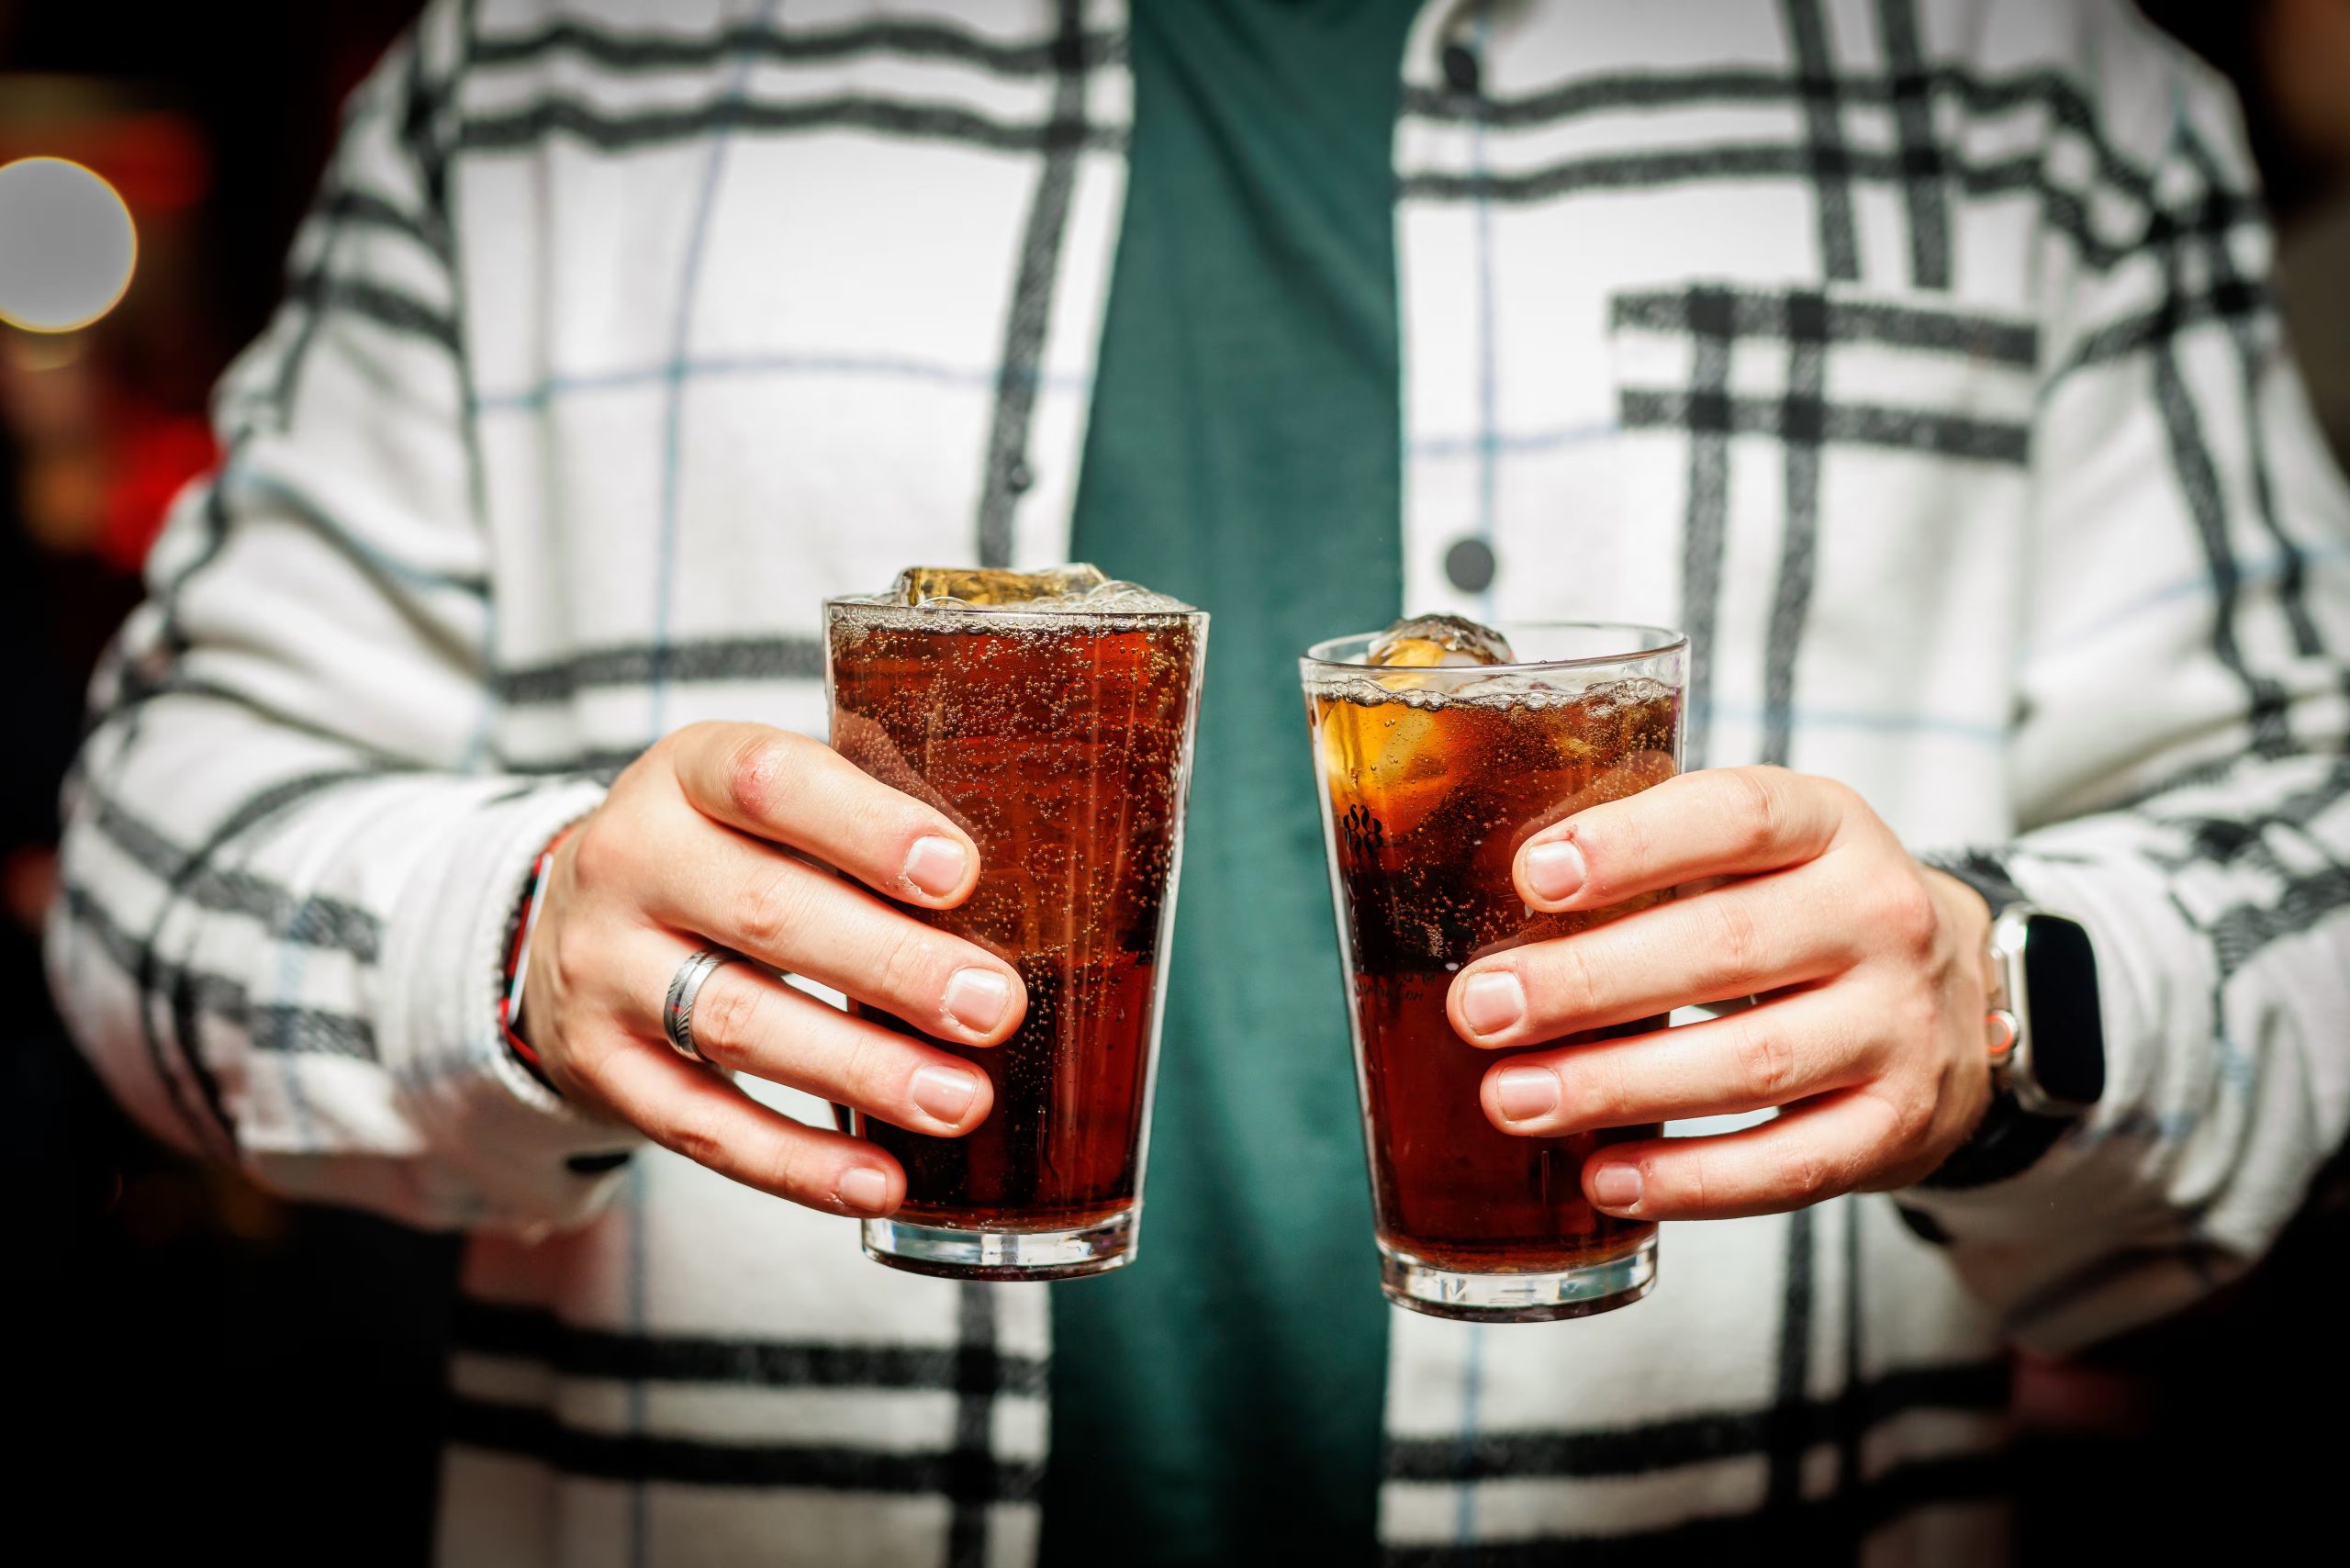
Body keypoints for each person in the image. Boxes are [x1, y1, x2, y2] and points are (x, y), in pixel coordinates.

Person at [47, 2, 2350, 1563]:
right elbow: (153, 842)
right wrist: (525, 929)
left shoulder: (2026, 77)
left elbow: (2307, 845)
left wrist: (1999, 1001)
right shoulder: (542, 69)